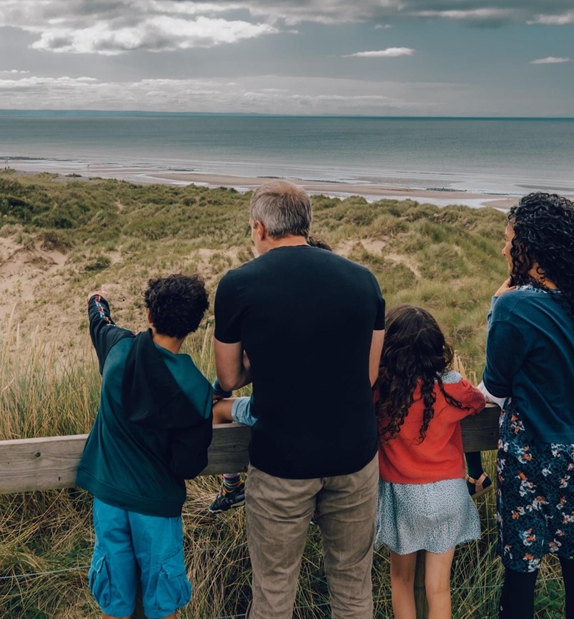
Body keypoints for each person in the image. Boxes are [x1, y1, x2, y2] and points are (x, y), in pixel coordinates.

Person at [213, 181, 386, 618]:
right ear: (307, 225)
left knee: (273, 592)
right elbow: (369, 374)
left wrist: (266, 360)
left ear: (259, 228)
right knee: (352, 586)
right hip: (354, 457)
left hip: (282, 462)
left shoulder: (238, 285)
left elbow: (229, 377)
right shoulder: (364, 280)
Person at [484, 192, 574, 619]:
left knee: (521, 572)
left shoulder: (513, 306)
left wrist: (496, 302)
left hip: (531, 454)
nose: (504, 247)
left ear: (532, 247)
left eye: (510, 239)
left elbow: (495, 384)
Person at [77, 275, 213, 619]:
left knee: (114, 599)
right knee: (162, 600)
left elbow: (99, 319)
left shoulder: (117, 348)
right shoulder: (196, 389)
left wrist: (98, 296)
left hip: (108, 497)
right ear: (193, 326)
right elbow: (188, 465)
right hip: (156, 505)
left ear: (149, 314)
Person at [374, 305, 486, 619]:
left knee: (402, 580)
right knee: (439, 586)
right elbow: (477, 401)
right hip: (450, 493)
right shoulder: (450, 385)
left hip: (404, 495)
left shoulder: (384, 389)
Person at [208, 234, 333, 515]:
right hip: (331, 420)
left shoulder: (277, 310)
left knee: (217, 410)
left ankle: (232, 485)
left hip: (274, 415)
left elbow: (239, 370)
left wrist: (219, 390)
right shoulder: (330, 310)